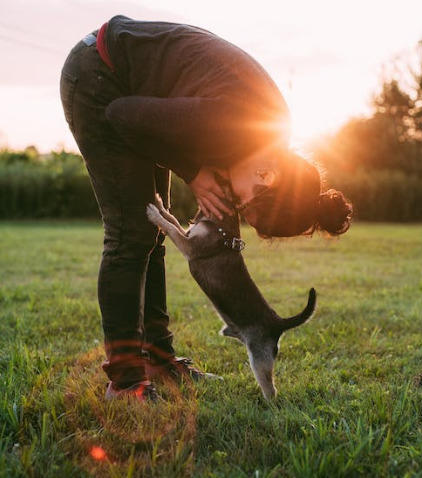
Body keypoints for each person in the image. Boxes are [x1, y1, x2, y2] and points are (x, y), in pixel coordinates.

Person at [60, 15, 352, 401]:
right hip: (100, 75)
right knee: (131, 232)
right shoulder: (233, 123)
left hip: (129, 83)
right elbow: (120, 114)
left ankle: (159, 362)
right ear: (268, 177)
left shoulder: (268, 133)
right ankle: (126, 383)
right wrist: (193, 171)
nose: (233, 200)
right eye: (244, 201)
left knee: (150, 235)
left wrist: (196, 168)